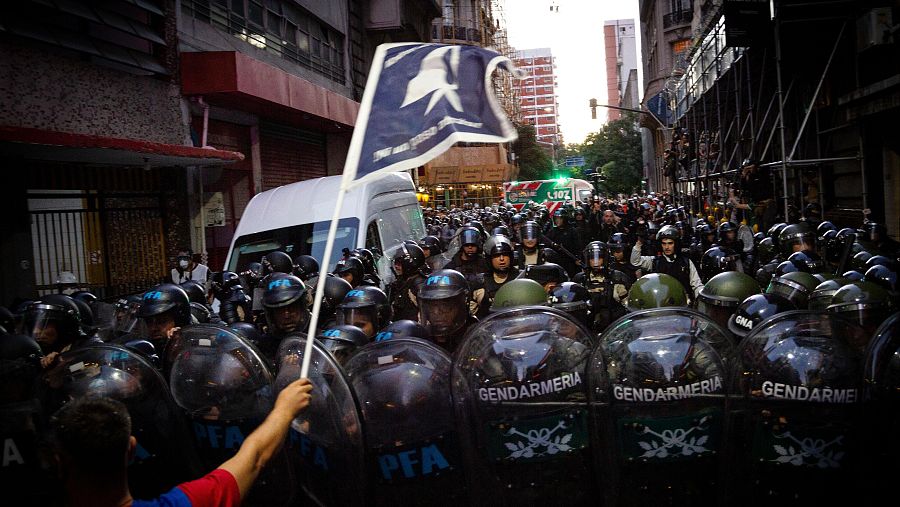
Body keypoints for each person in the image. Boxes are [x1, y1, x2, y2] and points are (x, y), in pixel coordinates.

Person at [49, 378, 312, 507]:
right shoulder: (186, 503)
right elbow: (254, 457)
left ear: (58, 463)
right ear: (131, 449)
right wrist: (284, 410)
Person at [631, 225, 703, 302]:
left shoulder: (686, 262)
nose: (667, 247)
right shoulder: (654, 261)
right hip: (661, 305)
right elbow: (635, 261)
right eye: (664, 243)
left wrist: (701, 300)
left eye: (670, 243)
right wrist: (639, 243)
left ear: (676, 244)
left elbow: (697, 285)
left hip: (682, 306)